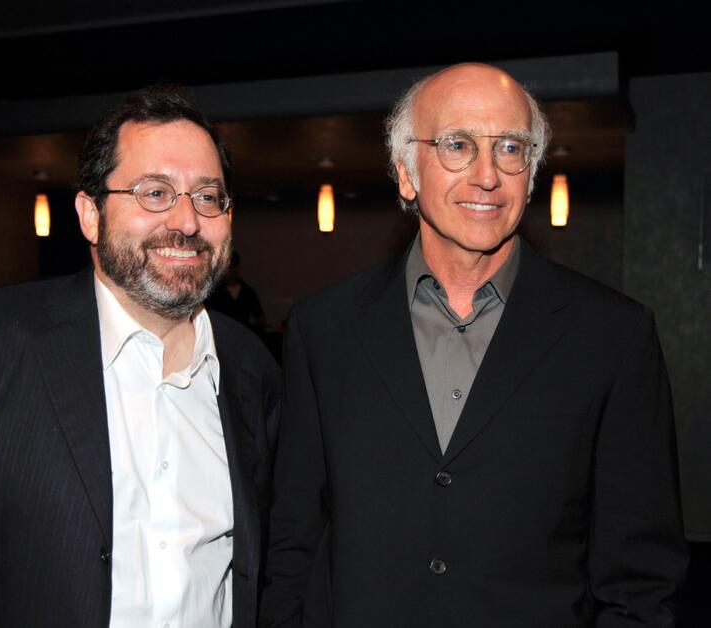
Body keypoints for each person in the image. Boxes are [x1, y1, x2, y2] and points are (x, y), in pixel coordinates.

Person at [259, 63, 687, 627]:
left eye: (510, 147)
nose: (487, 175)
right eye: (457, 145)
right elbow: (294, 545)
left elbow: (640, 583)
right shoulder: (324, 329)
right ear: (406, 173)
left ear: (530, 172)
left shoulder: (613, 337)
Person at [0, 85, 280, 628]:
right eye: (154, 192)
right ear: (90, 215)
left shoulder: (252, 370)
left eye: (209, 196)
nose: (187, 222)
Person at [208, 251, 267, 337]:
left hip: (242, 338)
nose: (225, 273)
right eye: (222, 269)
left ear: (235, 268)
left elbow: (260, 317)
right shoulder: (214, 293)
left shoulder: (247, 292)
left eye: (228, 268)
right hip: (220, 338)